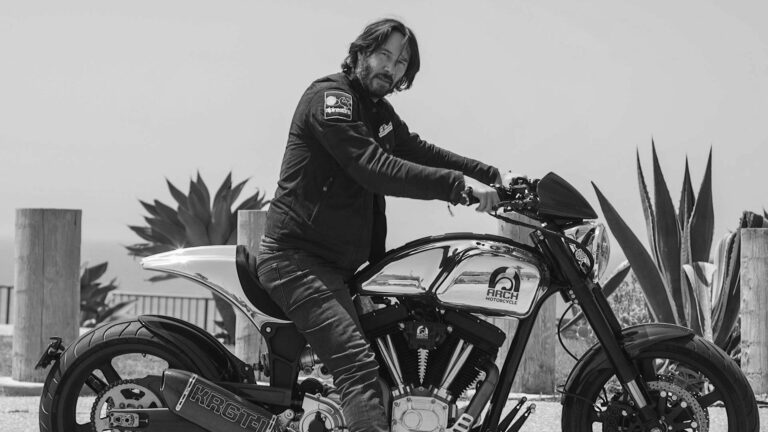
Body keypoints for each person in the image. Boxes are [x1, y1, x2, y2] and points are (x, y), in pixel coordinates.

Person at [256, 18, 506, 432]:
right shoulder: (330, 100)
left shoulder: (379, 113)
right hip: (297, 261)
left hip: (339, 267)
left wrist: (490, 174)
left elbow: (419, 151)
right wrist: (457, 188)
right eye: (384, 55)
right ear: (359, 54)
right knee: (359, 368)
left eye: (402, 62)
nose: (391, 68)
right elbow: (372, 168)